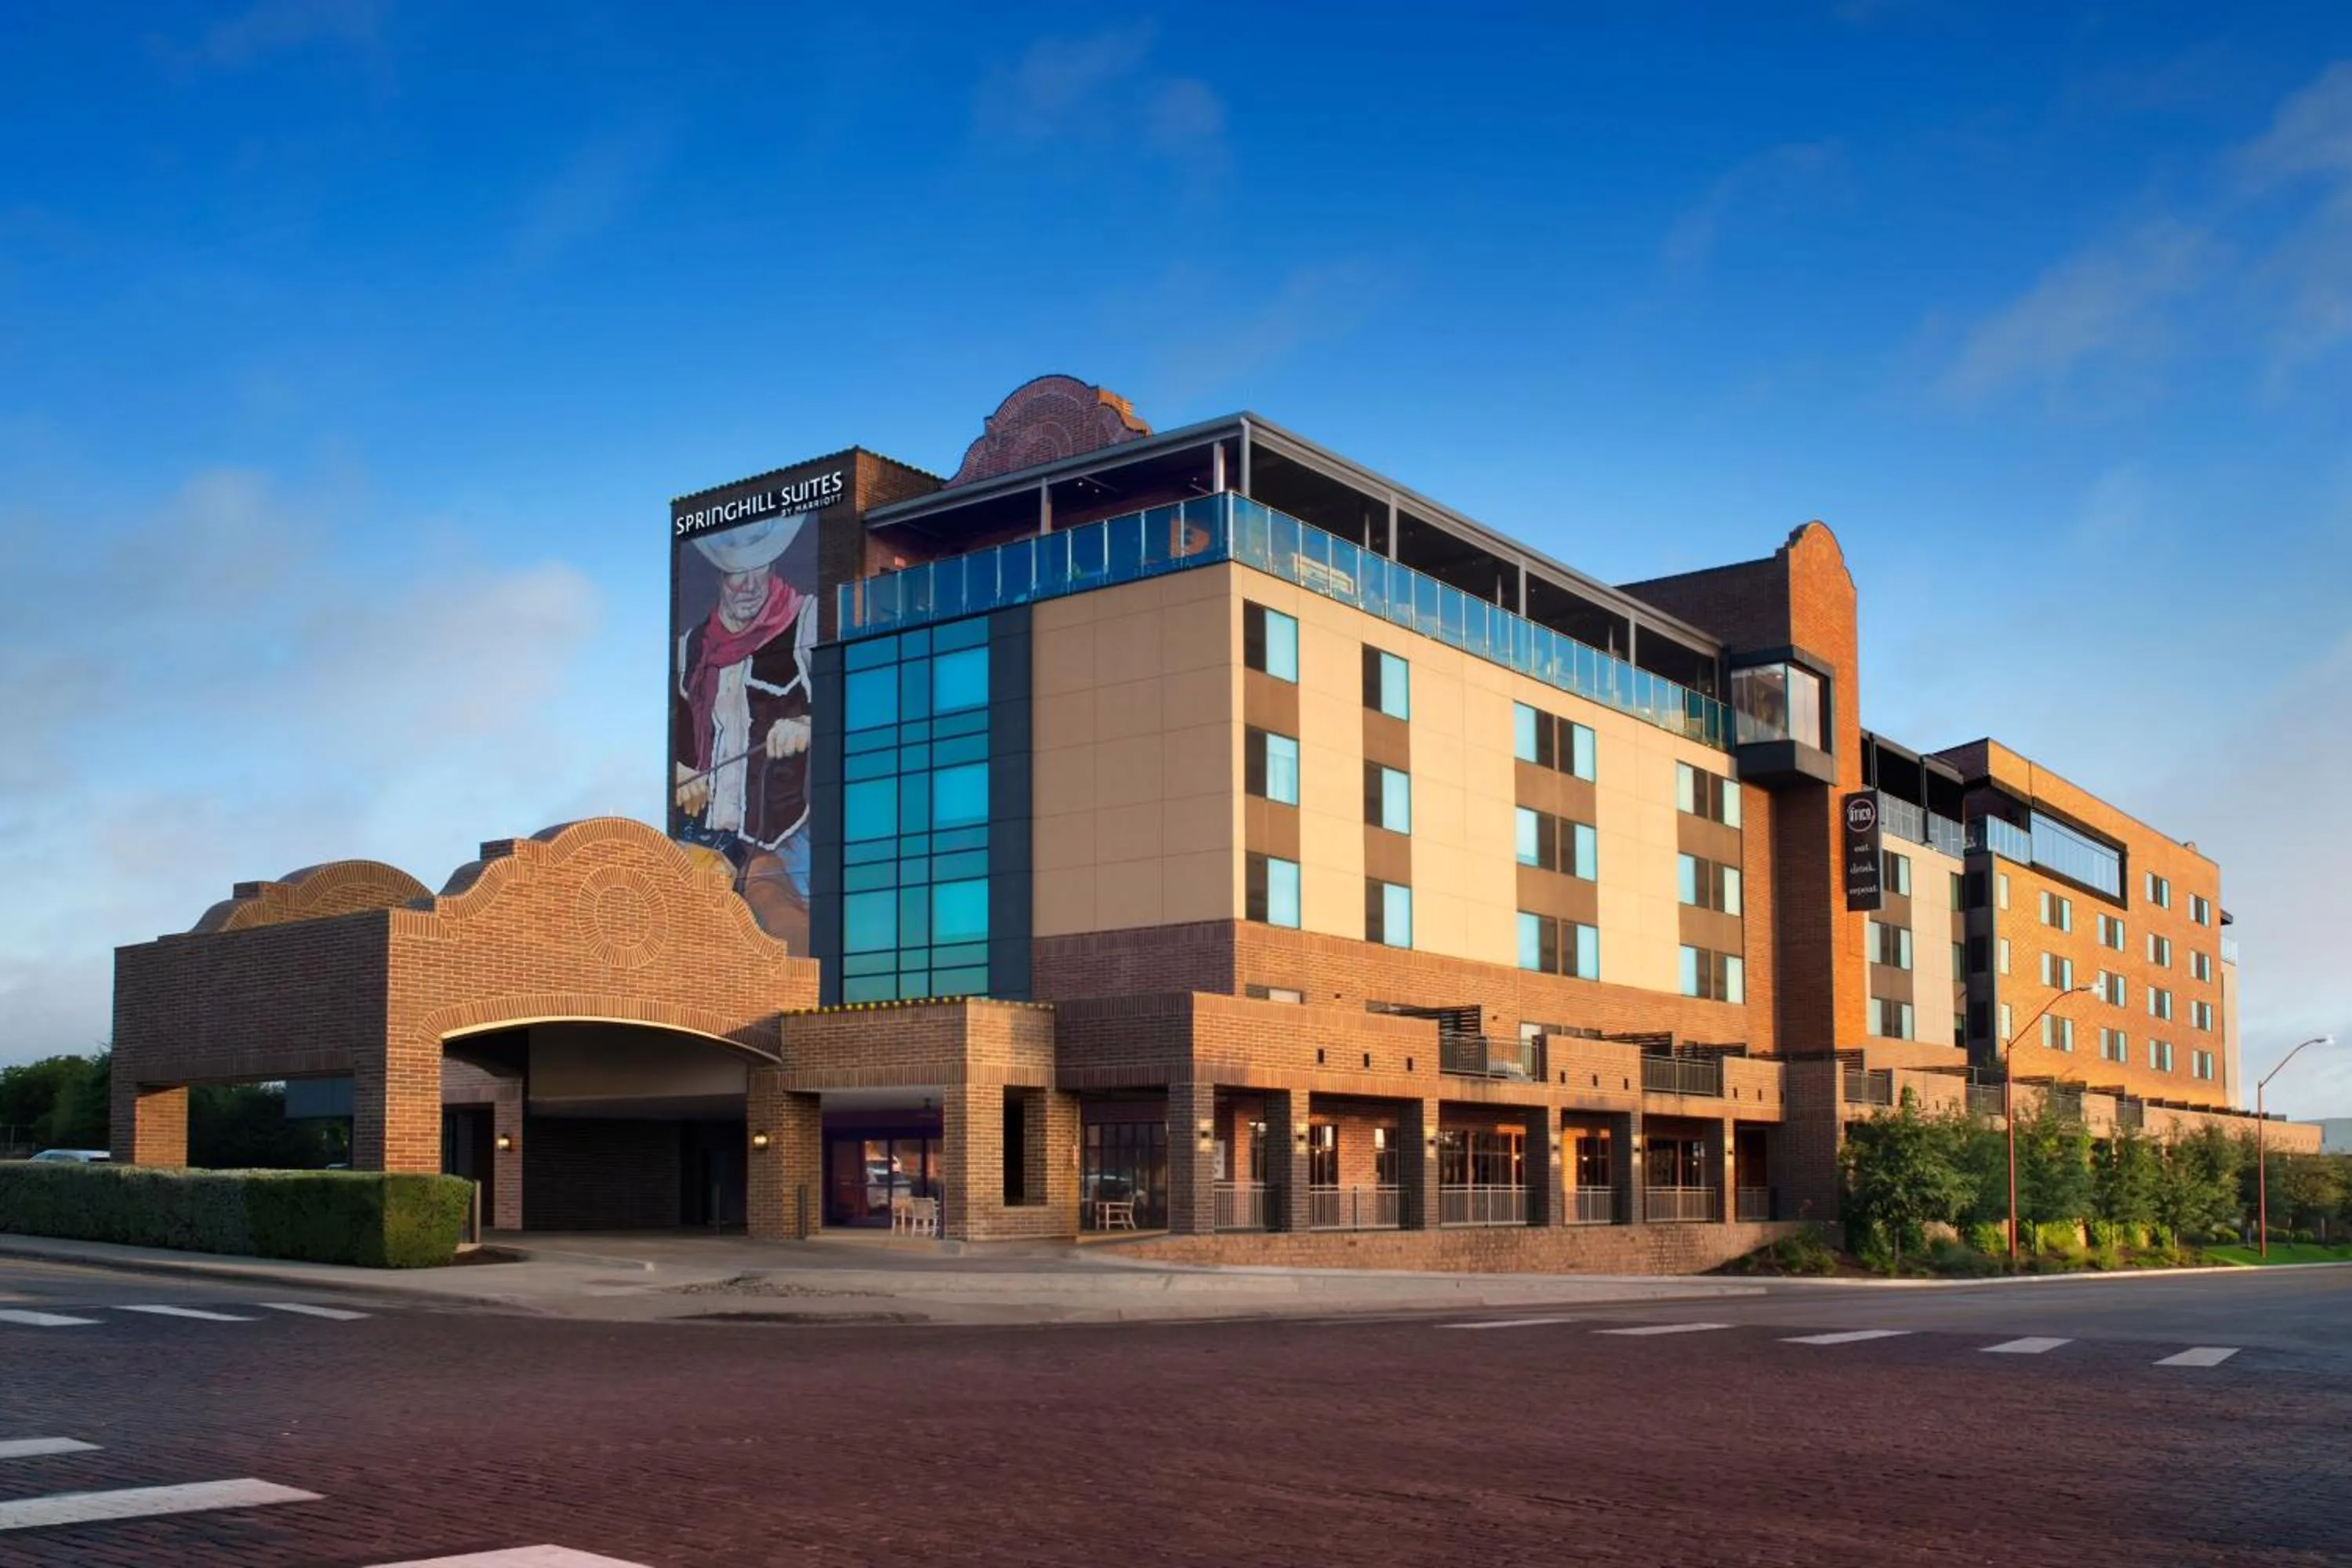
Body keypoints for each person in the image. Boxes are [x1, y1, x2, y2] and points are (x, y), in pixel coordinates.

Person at [673, 511, 818, 945]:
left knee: (781, 922)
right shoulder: (690, 647)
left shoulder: (807, 621)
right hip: (707, 839)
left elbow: (859, 708)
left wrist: (810, 723)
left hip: (784, 838)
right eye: (738, 572)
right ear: (720, 575)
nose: (751, 585)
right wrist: (678, 773)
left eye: (762, 568)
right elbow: (680, 737)